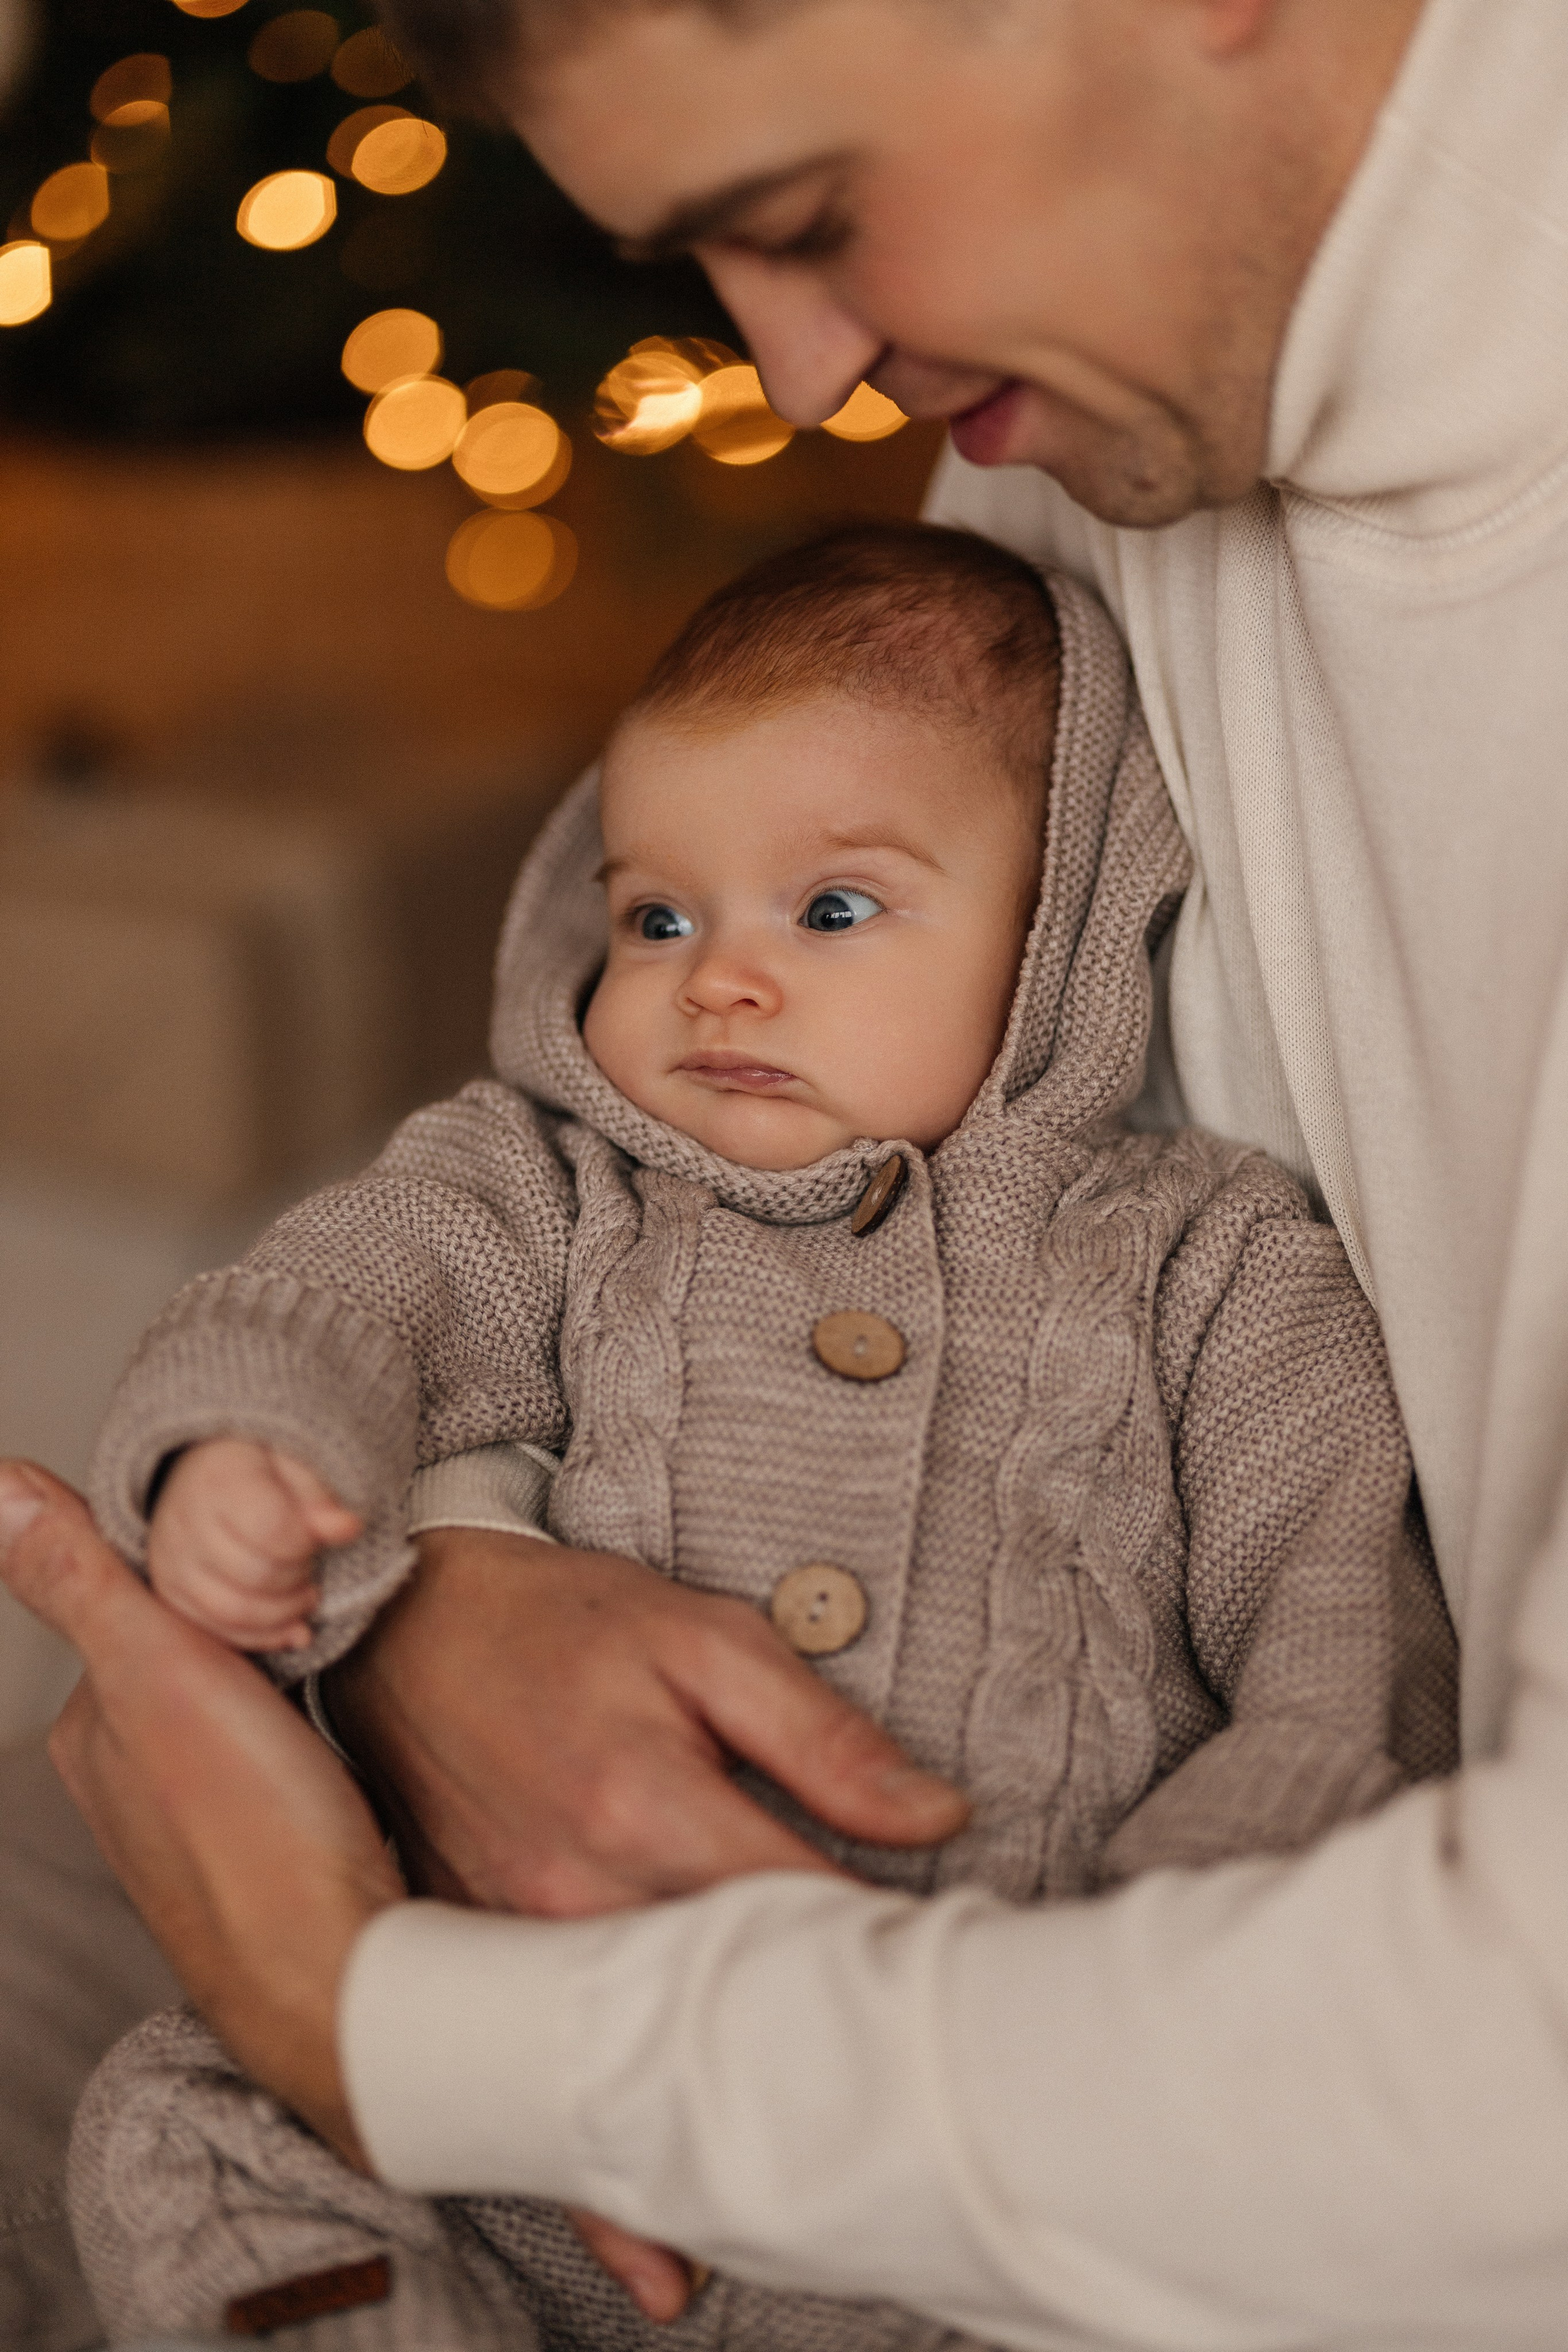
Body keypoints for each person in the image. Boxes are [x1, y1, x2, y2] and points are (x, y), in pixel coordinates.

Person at [6, 0, 1568, 2343]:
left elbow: (1453, 1974)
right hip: (540, 1892)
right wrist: (441, 1574)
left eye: (811, 216)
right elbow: (478, 1218)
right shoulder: (1098, 406)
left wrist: (406, 2032)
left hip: (1052, 2009)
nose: (815, 388)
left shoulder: (1216, 1272)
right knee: (130, 2054)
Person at [69, 522, 1455, 2348]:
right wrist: (242, 1455)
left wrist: (1158, 1973)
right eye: (659, 916)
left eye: (832, 910)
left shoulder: (1207, 1264)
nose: (718, 979)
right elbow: (350, 1289)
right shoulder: (558, 1189)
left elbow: (1339, 1640)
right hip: (535, 2110)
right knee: (173, 2124)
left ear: (1052, 936)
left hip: (984, 2141)